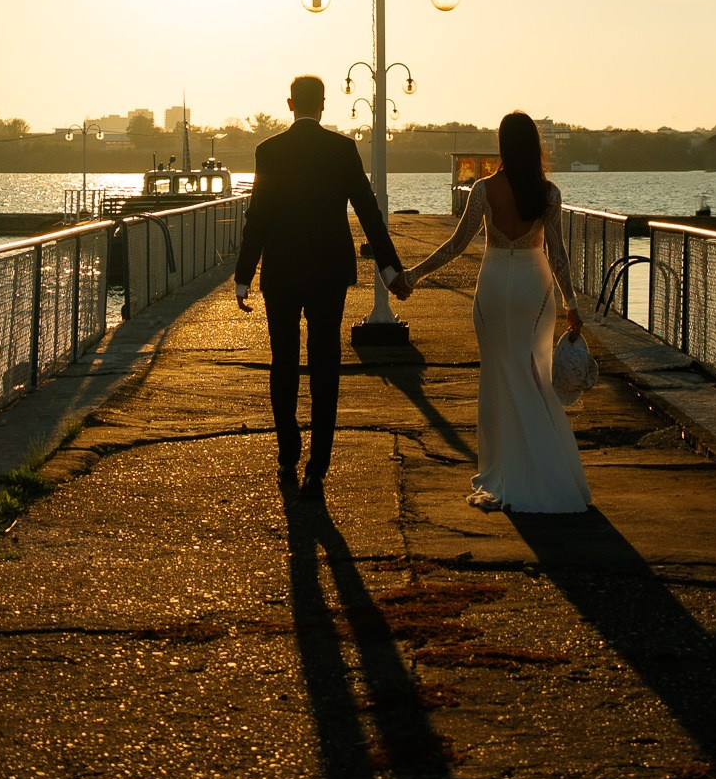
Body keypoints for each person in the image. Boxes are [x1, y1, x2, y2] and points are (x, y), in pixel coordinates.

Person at [397, 109, 590, 514]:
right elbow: (557, 255)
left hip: (494, 284)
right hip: (533, 290)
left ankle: (504, 472)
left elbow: (456, 245)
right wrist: (571, 304)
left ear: (502, 145)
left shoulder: (484, 190)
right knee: (534, 376)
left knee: (499, 378)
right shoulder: (548, 193)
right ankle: (547, 471)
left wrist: (413, 275)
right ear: (534, 146)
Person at [234, 76, 408, 501]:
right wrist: (390, 270)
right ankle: (318, 467)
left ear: (291, 103)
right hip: (330, 272)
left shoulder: (269, 151)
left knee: (284, 362)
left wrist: (244, 274)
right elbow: (369, 211)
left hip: (282, 272)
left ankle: (287, 454)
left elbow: (258, 217)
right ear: (324, 105)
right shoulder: (342, 150)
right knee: (326, 366)